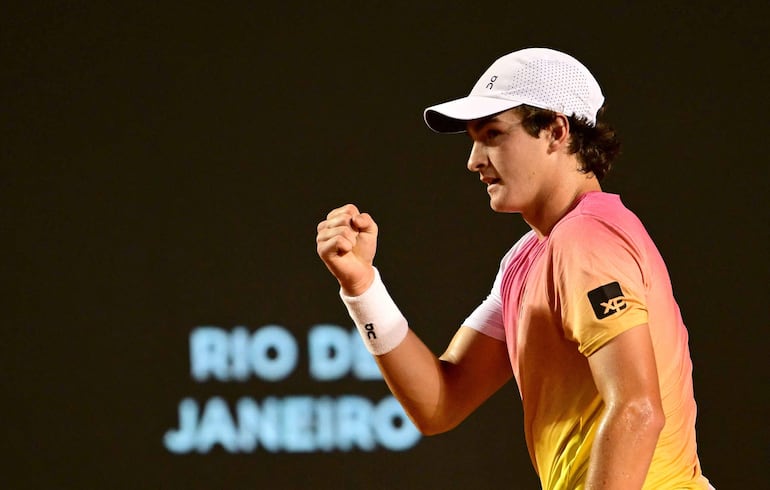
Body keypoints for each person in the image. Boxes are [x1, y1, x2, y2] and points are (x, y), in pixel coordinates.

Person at [315, 47, 712, 489]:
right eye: (472, 139)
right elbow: (440, 402)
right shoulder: (530, 256)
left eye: (492, 135)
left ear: (556, 132)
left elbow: (637, 409)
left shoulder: (586, 239)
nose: (473, 160)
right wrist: (362, 286)